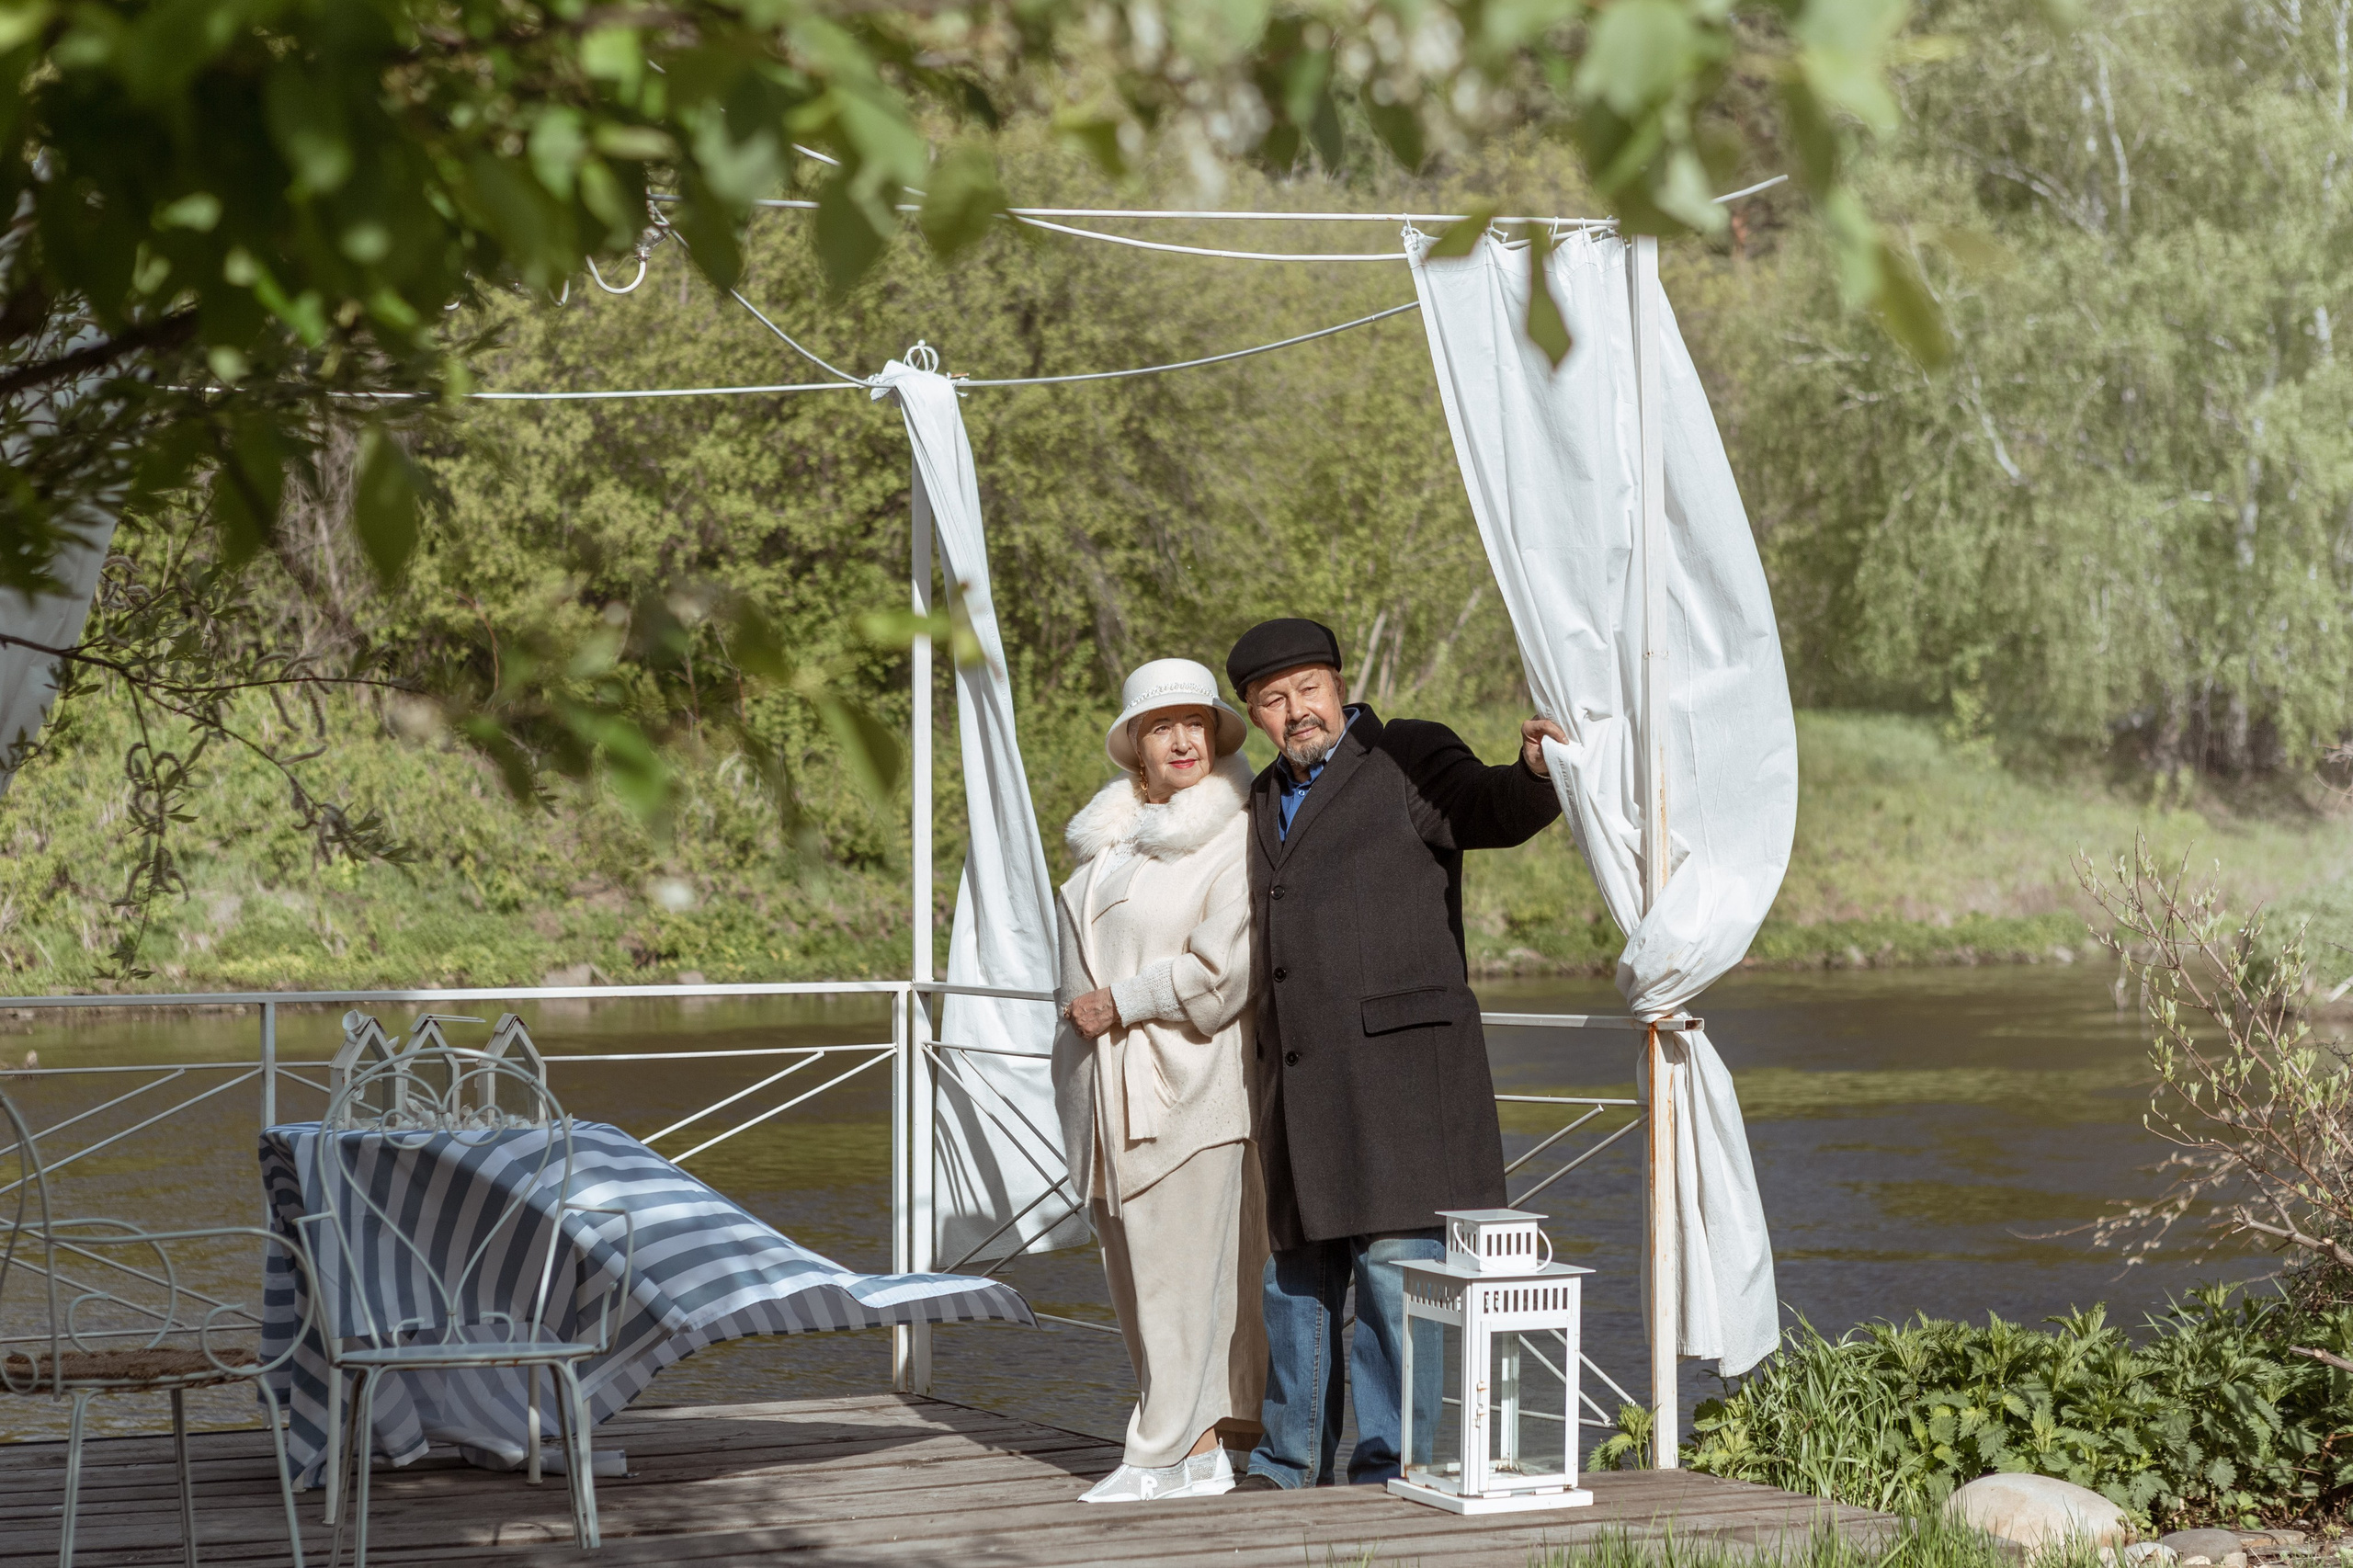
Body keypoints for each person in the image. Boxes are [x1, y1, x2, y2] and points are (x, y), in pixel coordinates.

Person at [1221, 618, 1567, 1492]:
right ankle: (1286, 1466)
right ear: (1256, 714)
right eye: (1273, 700)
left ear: (1340, 685)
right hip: (1300, 1084)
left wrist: (1535, 772)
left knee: (1390, 1279)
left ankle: (1387, 1469)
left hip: (1402, 1084)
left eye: (1308, 688)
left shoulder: (1406, 753)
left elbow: (1491, 809)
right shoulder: (1259, 797)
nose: (1296, 711)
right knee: (1295, 1283)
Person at [1052, 657, 1269, 1504]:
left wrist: (1124, 1001)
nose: (1182, 740)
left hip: (1189, 1087)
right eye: (1161, 726)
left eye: (1195, 724)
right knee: (1142, 1288)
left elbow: (1226, 973)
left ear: (1215, 737)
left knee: (1185, 1287)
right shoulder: (1114, 840)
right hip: (1107, 1103)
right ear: (1135, 745)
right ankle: (1202, 1450)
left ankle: (1162, 1455)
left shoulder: (1234, 836)